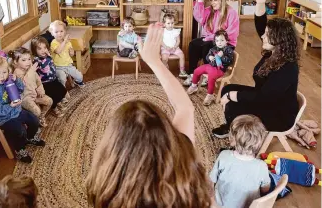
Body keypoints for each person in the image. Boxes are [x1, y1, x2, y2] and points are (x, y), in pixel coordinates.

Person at [86, 23, 212, 208]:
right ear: (168, 135)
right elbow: (185, 107)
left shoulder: (104, 192)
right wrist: (154, 61)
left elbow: (185, 108)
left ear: (113, 150)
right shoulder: (186, 169)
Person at [212, 0, 300, 138]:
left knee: (232, 104)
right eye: (265, 33)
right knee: (227, 88)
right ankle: (231, 127)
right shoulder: (273, 52)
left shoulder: (288, 67)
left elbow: (263, 98)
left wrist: (234, 96)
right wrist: (260, 3)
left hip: (278, 114)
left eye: (267, 34)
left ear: (279, 39)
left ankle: (241, 142)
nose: (262, 36)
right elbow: (261, 26)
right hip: (266, 99)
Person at [0, 55, 45, 163]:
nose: (2, 76)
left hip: (17, 111)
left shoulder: (8, 81)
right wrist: (10, 106)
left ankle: (30, 137)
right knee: (20, 131)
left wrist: (17, 81)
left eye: (4, 72)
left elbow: (21, 90)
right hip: (4, 118)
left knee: (34, 120)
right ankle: (19, 149)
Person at [184, 0, 239, 86]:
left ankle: (207, 75)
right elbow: (199, 18)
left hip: (225, 43)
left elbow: (231, 33)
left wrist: (211, 37)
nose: (212, 2)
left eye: (215, 0)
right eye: (211, 0)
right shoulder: (210, 10)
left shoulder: (231, 12)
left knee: (207, 46)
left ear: (222, 0)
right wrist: (200, 0)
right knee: (193, 44)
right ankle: (192, 74)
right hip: (210, 39)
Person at [210, 115, 270, 208]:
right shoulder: (262, 166)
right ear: (259, 141)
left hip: (220, 205)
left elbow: (211, 180)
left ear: (232, 139)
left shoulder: (224, 156)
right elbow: (265, 190)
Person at [187, 29, 234, 106]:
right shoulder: (214, 48)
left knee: (211, 77)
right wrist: (210, 57)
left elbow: (229, 61)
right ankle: (194, 86)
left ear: (226, 41)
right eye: (217, 40)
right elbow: (207, 57)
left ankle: (210, 95)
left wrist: (221, 57)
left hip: (220, 69)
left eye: (222, 40)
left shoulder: (228, 50)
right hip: (210, 66)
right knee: (196, 71)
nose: (219, 42)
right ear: (215, 41)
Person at [10, 47, 53, 127]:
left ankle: (41, 117)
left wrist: (40, 90)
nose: (28, 62)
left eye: (29, 59)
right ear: (16, 62)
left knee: (49, 101)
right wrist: (31, 71)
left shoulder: (30, 69)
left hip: (34, 94)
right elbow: (24, 84)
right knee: (37, 111)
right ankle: (34, 121)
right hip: (25, 98)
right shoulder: (17, 72)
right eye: (24, 60)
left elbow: (38, 81)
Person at [31, 36, 68, 118]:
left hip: (53, 79)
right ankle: (54, 108)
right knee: (53, 95)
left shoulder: (48, 56)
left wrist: (50, 57)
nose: (43, 50)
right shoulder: (37, 60)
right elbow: (38, 70)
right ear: (35, 50)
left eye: (45, 47)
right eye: (39, 49)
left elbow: (52, 65)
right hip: (45, 83)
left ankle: (58, 102)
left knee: (62, 90)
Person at [49, 20, 85, 87]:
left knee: (80, 76)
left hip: (68, 65)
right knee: (62, 78)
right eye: (56, 32)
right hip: (58, 66)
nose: (59, 34)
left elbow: (71, 54)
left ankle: (77, 82)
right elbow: (58, 51)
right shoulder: (53, 42)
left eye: (61, 31)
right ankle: (62, 90)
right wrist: (65, 41)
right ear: (52, 33)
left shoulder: (68, 43)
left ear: (64, 32)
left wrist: (72, 52)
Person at [161, 13, 188, 78]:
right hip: (165, 48)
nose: (170, 25)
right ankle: (165, 69)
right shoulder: (162, 31)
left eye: (172, 23)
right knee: (164, 58)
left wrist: (175, 47)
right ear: (164, 24)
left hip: (174, 48)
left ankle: (182, 70)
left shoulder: (176, 31)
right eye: (168, 23)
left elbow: (178, 41)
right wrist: (165, 47)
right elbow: (160, 41)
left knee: (182, 55)